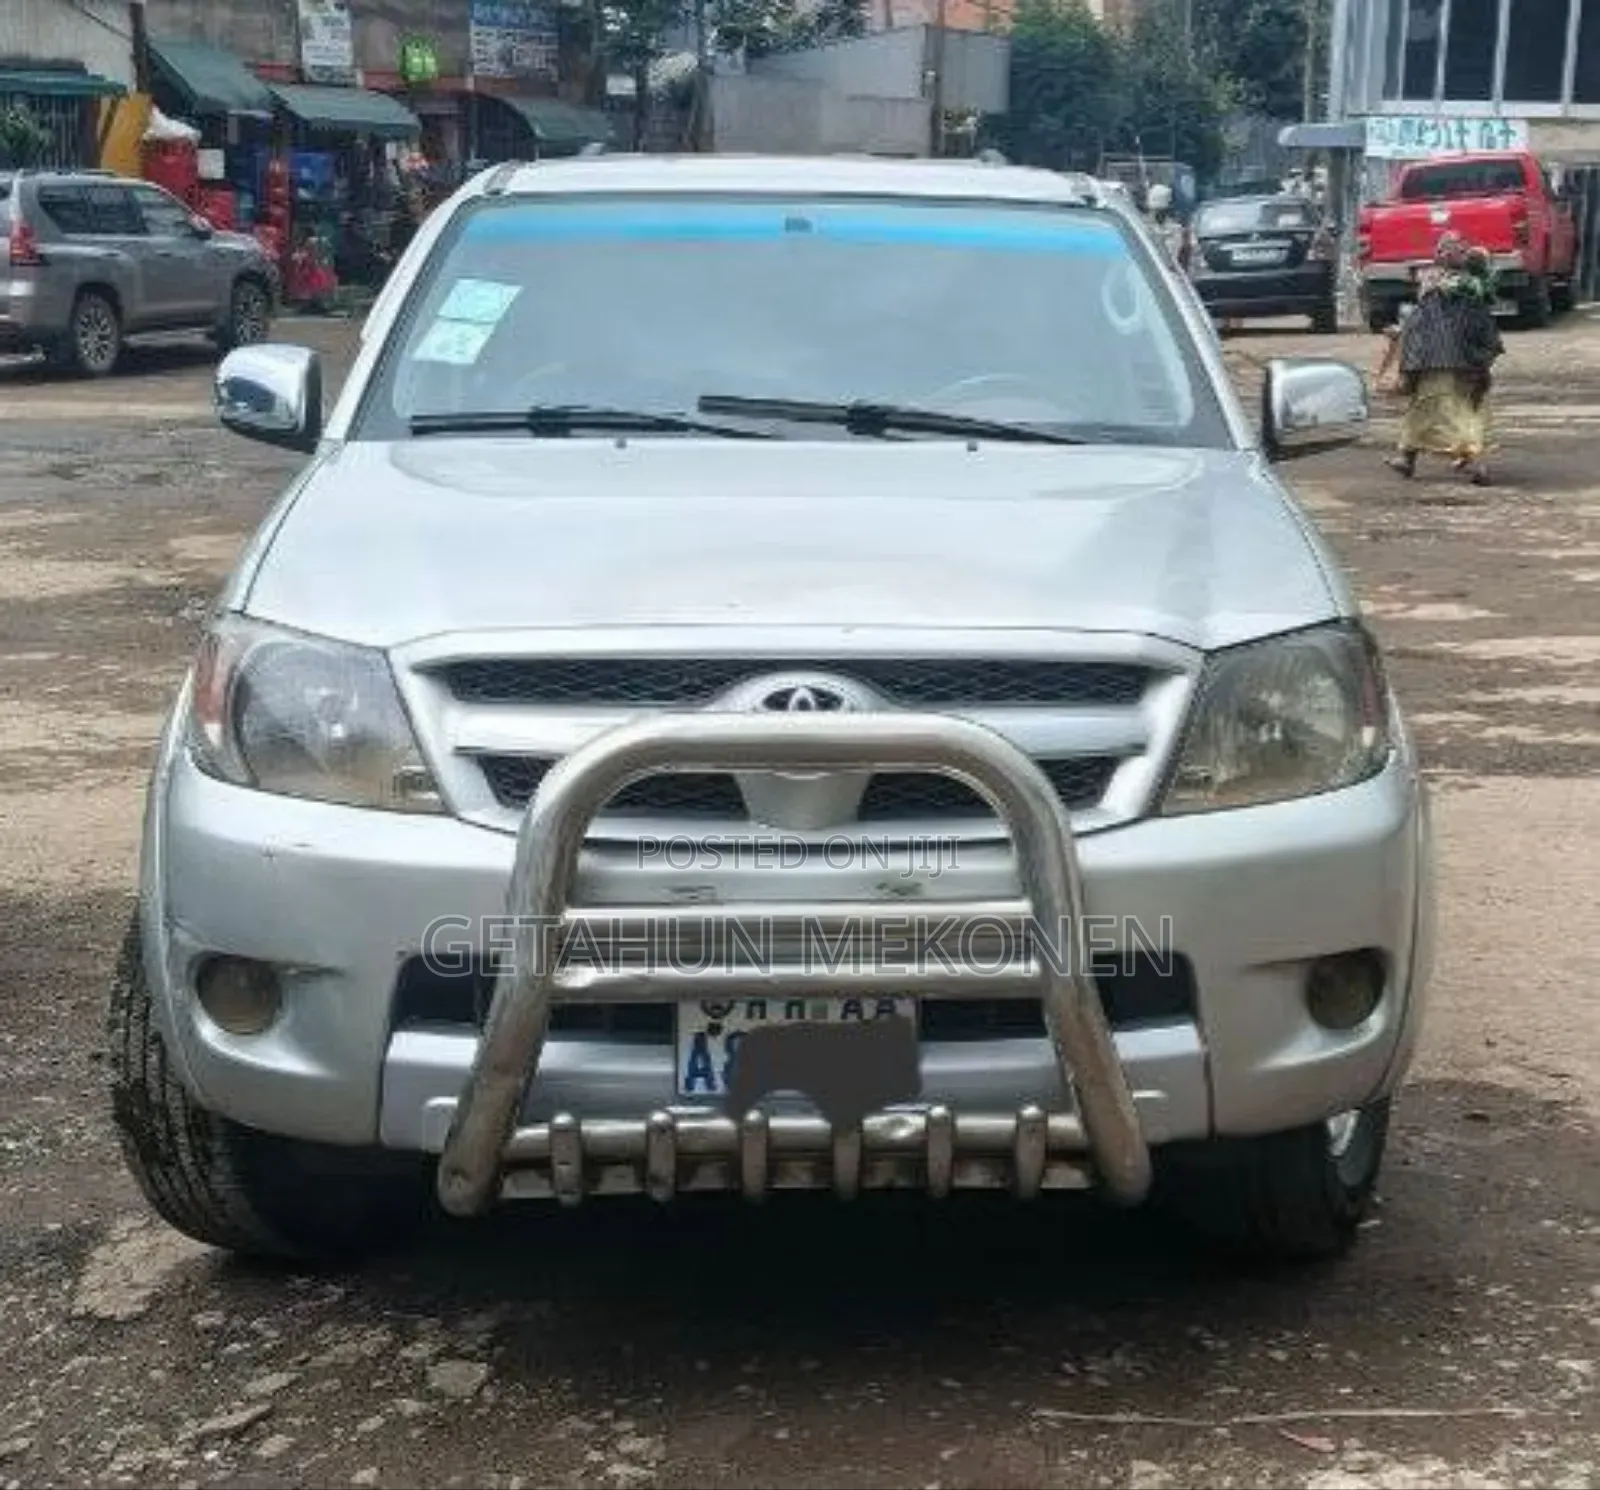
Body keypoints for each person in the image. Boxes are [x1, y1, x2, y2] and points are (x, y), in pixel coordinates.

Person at [1386, 234, 1504, 486]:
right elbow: (1421, 316)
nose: (1445, 254)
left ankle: (1473, 461)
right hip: (1438, 356)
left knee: (1450, 409)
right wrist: (1401, 333)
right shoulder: (1435, 280)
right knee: (1424, 407)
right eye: (1441, 249)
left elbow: (1481, 292)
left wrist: (1476, 265)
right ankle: (1408, 458)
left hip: (1453, 356)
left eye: (1454, 249)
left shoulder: (1470, 283)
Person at [1144, 183, 1188, 273]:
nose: (1155, 214)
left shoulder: (1178, 230)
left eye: (1160, 210)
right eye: (1154, 210)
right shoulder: (1142, 227)